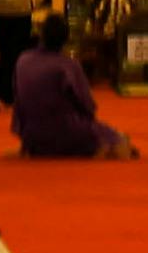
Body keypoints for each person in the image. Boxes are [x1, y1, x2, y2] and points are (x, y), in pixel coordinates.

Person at [9, 13, 134, 159]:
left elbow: (17, 97)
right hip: (64, 130)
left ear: (41, 35)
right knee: (121, 141)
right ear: (66, 39)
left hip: (30, 134)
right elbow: (87, 105)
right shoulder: (68, 65)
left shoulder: (23, 60)